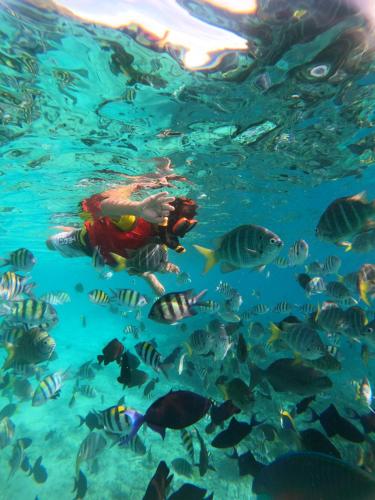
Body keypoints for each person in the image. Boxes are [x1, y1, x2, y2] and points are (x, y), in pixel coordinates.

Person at [46, 179, 198, 294]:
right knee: (49, 243)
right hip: (85, 243)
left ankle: (146, 275)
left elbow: (144, 260)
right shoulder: (133, 219)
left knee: (138, 257)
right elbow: (104, 206)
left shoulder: (161, 239)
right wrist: (137, 208)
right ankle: (73, 229)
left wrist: (163, 266)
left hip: (113, 256)